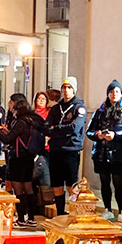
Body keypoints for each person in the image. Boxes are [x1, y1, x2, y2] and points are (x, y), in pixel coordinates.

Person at [87, 81, 122, 223]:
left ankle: (121, 211)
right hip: (101, 153)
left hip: (118, 153)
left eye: (117, 92)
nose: (114, 94)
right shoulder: (99, 112)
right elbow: (89, 131)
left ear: (121, 94)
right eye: (111, 92)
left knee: (118, 182)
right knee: (104, 182)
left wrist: (116, 135)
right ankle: (107, 209)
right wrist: (98, 135)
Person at [0, 96, 44, 227]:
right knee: (28, 187)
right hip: (29, 157)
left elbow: (8, 139)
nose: (13, 112)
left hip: (18, 158)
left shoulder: (21, 122)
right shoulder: (33, 121)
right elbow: (18, 137)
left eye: (15, 109)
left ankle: (21, 218)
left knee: (18, 188)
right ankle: (32, 218)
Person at [45, 77, 87, 216]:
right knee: (57, 185)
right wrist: (62, 131)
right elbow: (46, 128)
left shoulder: (79, 107)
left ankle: (74, 213)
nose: (66, 90)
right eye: (64, 87)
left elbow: (75, 127)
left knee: (71, 185)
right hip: (56, 150)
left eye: (69, 87)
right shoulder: (56, 108)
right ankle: (60, 213)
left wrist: (56, 129)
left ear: (74, 89)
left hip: (71, 149)